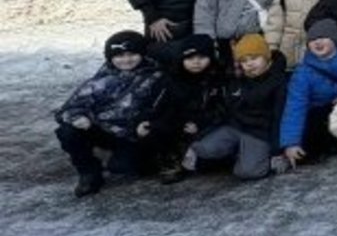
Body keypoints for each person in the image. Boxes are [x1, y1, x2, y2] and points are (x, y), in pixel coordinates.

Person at [53, 30, 167, 196]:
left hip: (135, 134)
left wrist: (149, 123)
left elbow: (164, 106)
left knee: (125, 167)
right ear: (110, 57)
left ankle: (144, 159)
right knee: (67, 131)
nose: (126, 60)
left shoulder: (157, 76)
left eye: (132, 54)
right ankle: (89, 173)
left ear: (142, 54)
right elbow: (67, 109)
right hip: (104, 130)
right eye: (119, 56)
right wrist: (78, 118)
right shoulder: (101, 79)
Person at [183, 33, 287, 182]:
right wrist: (201, 134)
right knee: (204, 149)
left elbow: (279, 118)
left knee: (248, 172)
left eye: (254, 58)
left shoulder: (278, 81)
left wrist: (277, 151)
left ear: (266, 56)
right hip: (236, 126)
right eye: (244, 61)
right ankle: (237, 152)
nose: (249, 64)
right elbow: (227, 110)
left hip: (260, 133)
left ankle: (249, 156)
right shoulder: (238, 79)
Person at [279, 18, 337, 167]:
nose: (317, 42)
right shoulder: (303, 72)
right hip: (320, 118)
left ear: (334, 39)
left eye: (323, 37)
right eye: (312, 40)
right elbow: (295, 107)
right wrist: (291, 143)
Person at [154, 34, 226, 183]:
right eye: (190, 58)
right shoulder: (171, 80)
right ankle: (170, 161)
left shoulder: (218, 79)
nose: (196, 62)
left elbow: (223, 108)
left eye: (202, 57)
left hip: (206, 125)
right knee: (160, 127)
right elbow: (158, 107)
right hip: (178, 125)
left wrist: (200, 123)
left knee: (210, 164)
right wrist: (181, 123)